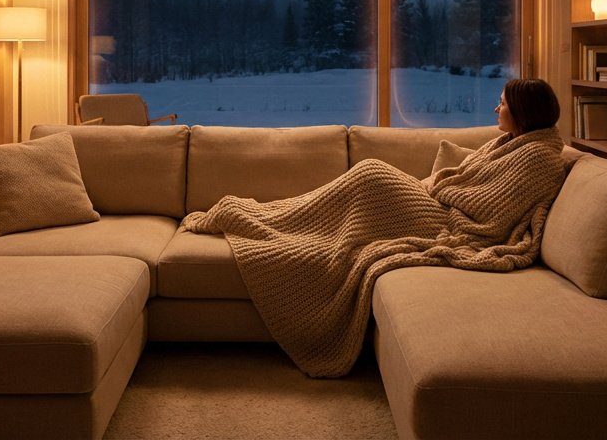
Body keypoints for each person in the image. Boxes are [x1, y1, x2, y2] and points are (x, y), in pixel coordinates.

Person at [181, 78, 566, 378]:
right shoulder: (512, 143)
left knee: (370, 172)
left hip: (446, 222)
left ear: (523, 111)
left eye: (503, 102)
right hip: (435, 204)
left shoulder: (538, 157)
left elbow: (489, 211)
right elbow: (471, 183)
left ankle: (266, 219)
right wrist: (438, 187)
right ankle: (273, 217)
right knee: (368, 176)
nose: (496, 107)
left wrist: (440, 189)